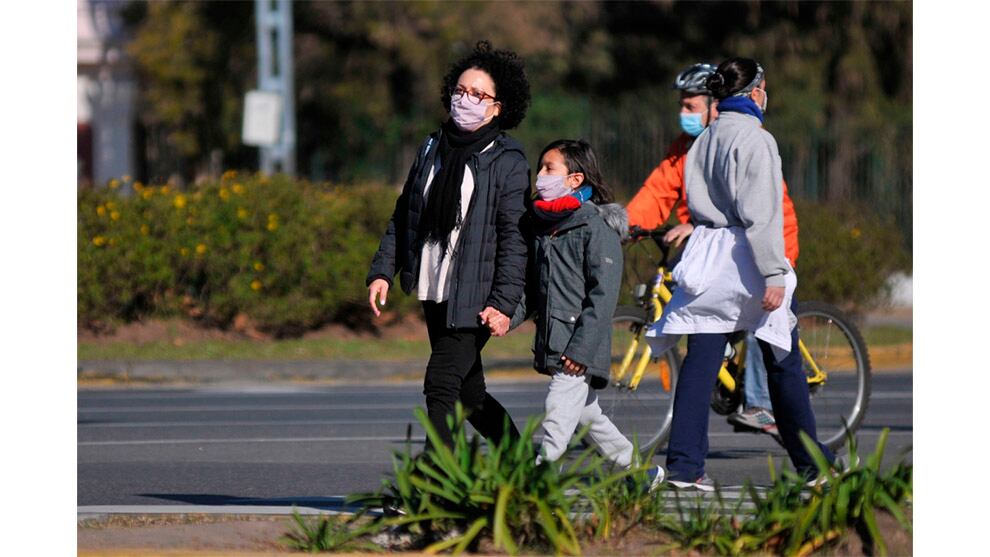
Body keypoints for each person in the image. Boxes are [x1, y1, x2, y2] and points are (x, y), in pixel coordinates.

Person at [645, 57, 835, 490]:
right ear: (755, 92)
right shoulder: (756, 139)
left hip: (707, 255)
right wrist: (773, 273)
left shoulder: (704, 139)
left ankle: (685, 467)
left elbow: (693, 201)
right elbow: (762, 214)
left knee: (701, 362)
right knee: (783, 362)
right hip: (747, 257)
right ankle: (811, 465)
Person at [625, 62, 805, 438]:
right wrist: (625, 226)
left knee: (765, 331)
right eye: (681, 106)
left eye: (690, 107)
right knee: (704, 332)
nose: (683, 114)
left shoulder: (741, 140)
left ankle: (758, 403)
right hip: (716, 251)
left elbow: (759, 210)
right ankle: (806, 457)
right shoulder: (687, 149)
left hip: (768, 243)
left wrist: (772, 267)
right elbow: (656, 193)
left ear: (714, 105)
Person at [366, 41, 531, 448]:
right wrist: (383, 270)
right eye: (460, 90)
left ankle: (432, 486)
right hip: (434, 287)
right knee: (469, 396)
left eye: (478, 94)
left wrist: (504, 302)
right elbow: (405, 213)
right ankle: (524, 467)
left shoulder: (507, 159)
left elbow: (515, 238)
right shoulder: (430, 147)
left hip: (477, 296)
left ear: (498, 107)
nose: (466, 100)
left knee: (440, 386)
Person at [496, 139, 663, 490]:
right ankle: (638, 473)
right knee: (588, 416)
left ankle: (542, 478)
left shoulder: (595, 228)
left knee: (558, 411)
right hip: (556, 340)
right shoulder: (544, 227)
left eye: (549, 168)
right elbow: (535, 290)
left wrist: (581, 350)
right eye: (540, 167)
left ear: (575, 179)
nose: (539, 175)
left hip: (577, 348)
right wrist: (506, 319)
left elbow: (602, 297)